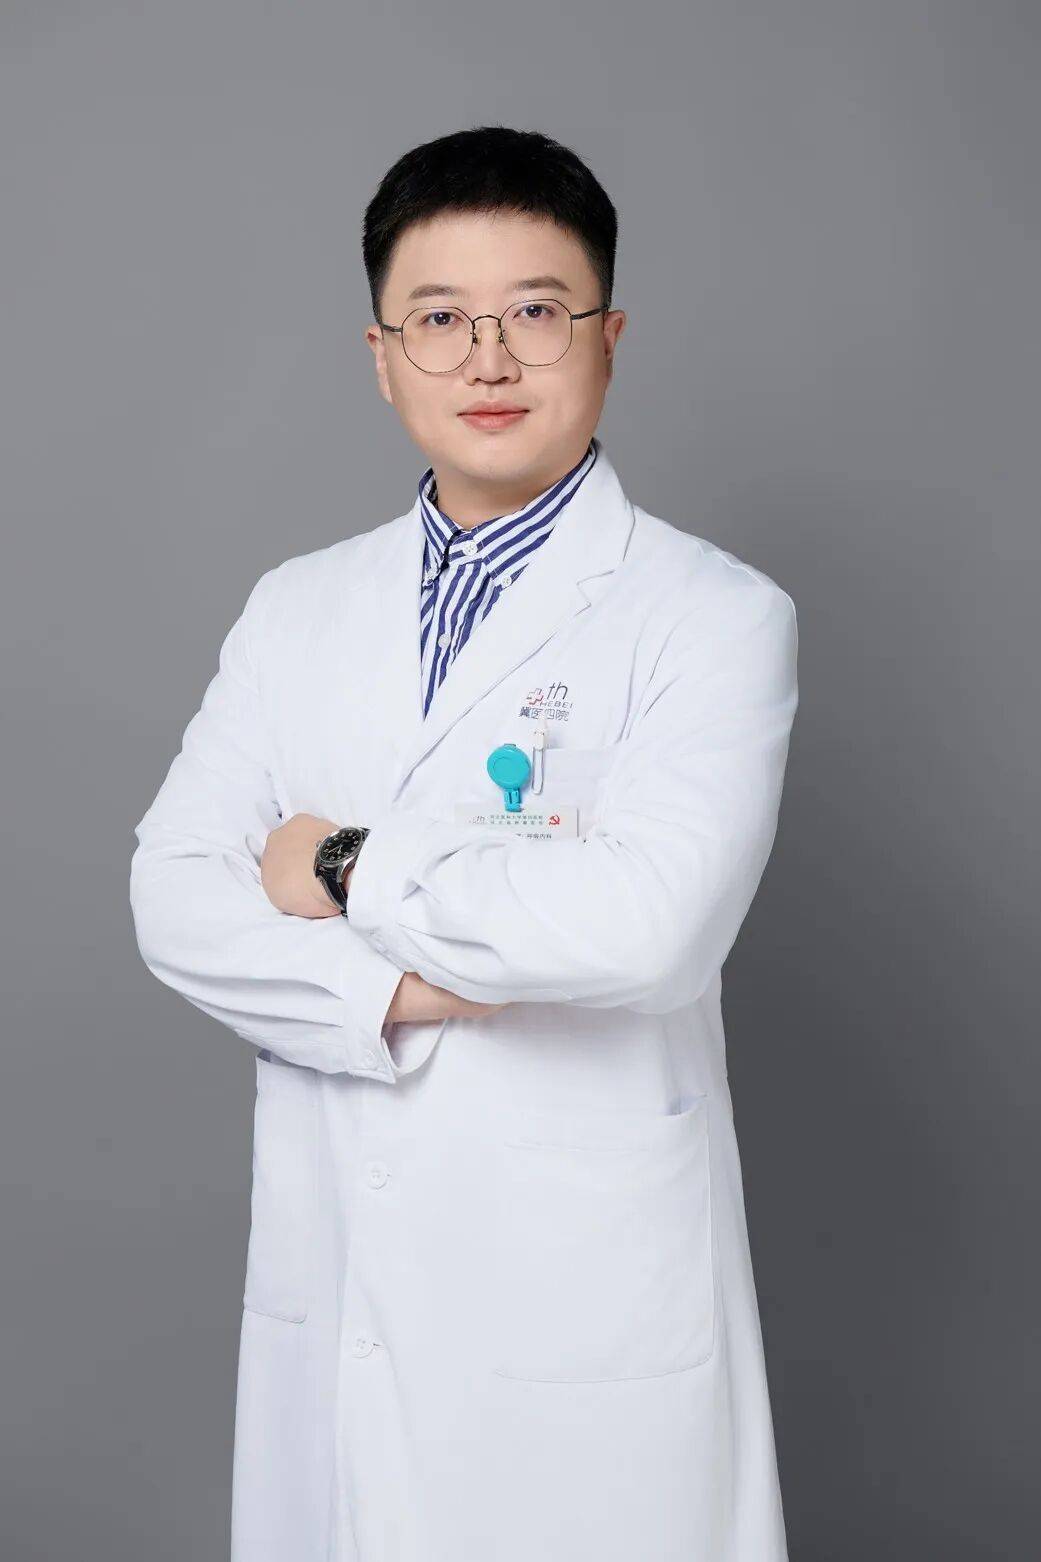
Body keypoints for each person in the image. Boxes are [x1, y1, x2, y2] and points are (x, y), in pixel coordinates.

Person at [130, 123, 799, 1562]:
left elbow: (649, 927)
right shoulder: (297, 607)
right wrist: (400, 990)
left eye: (534, 312)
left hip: (582, 1305)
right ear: (382, 357)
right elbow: (174, 896)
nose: (487, 360)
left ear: (607, 337)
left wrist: (342, 867)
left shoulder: (712, 615)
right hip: (343, 1278)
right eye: (438, 320)